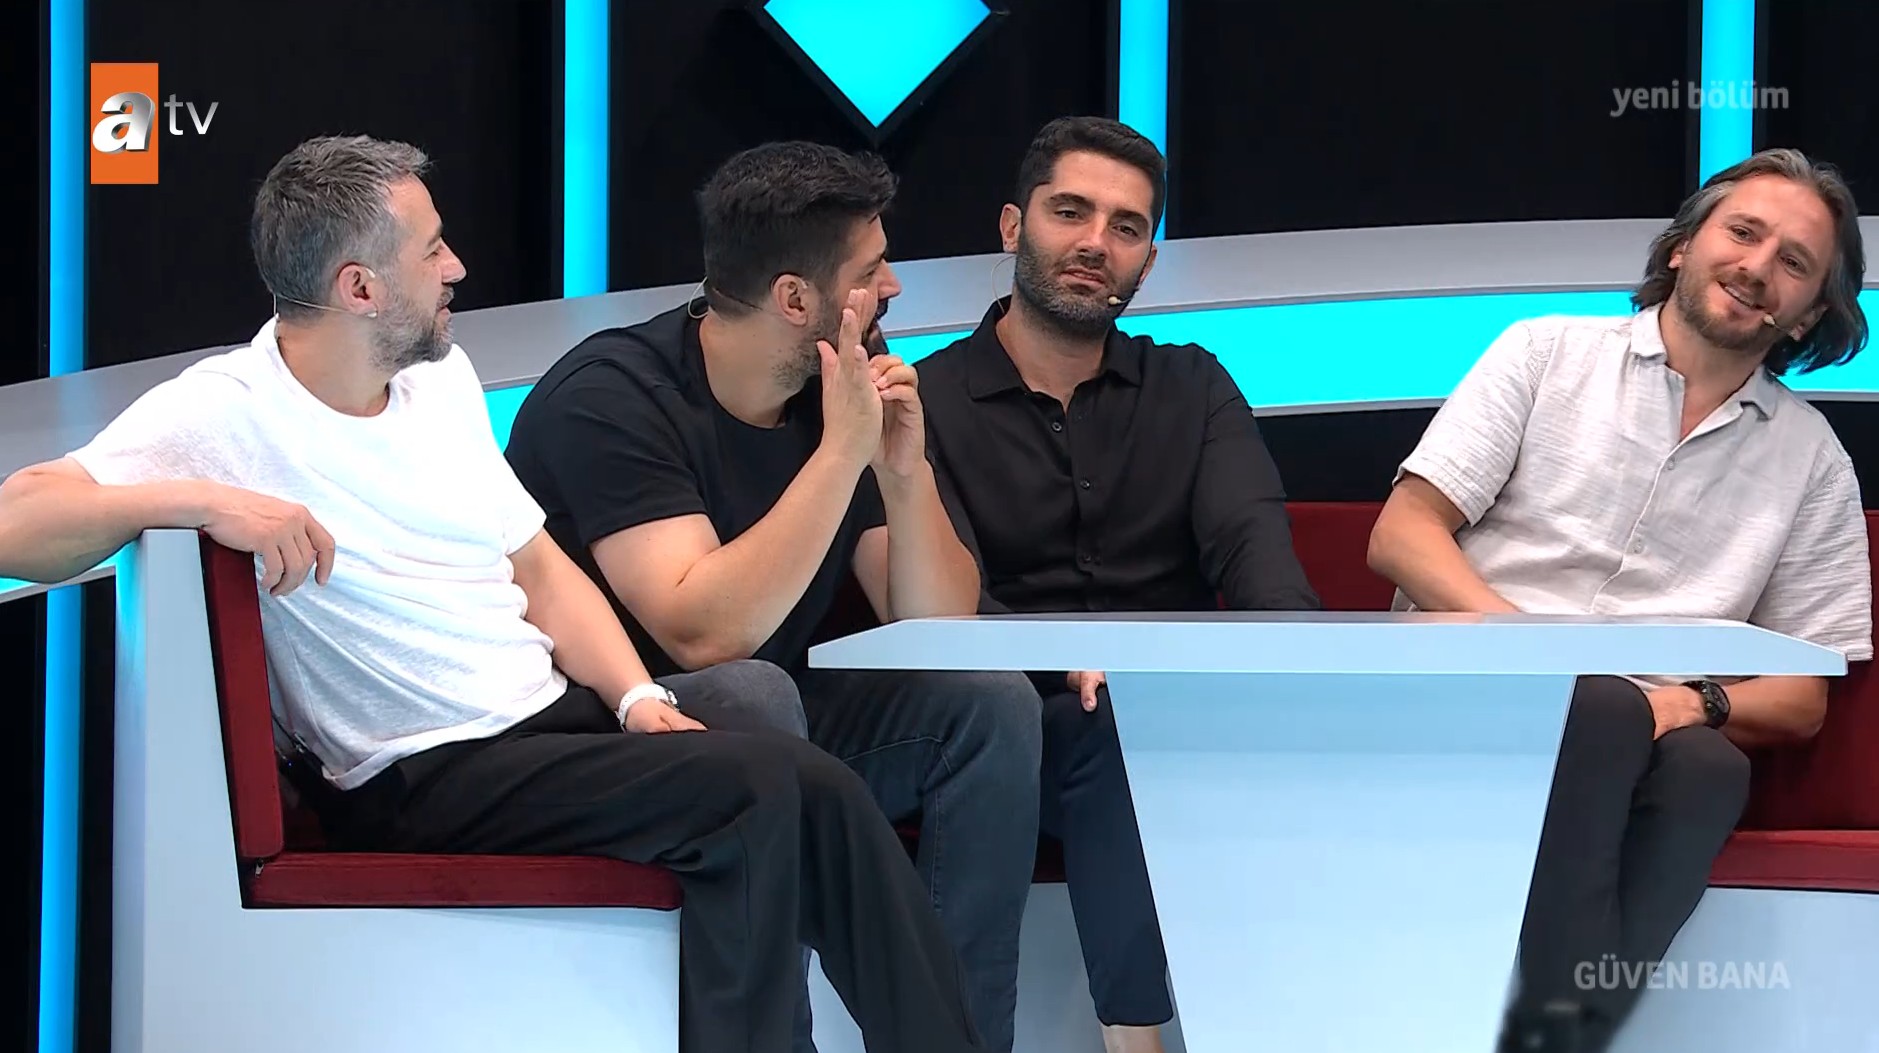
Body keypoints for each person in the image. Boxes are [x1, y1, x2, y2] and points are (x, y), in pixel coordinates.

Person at [0, 135, 987, 1053]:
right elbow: (16, 521)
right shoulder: (226, 411)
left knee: (817, 787)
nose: (457, 267)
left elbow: (540, 569)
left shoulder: (439, 381)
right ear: (358, 287)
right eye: (431, 250)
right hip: (419, 767)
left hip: (543, 727)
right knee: (760, 791)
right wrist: (202, 499)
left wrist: (635, 697)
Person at [502, 142, 1042, 1052]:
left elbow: (936, 629)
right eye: (869, 272)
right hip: (612, 733)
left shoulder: (836, 387)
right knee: (754, 693)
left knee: (988, 706)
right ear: (796, 299)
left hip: (772, 724)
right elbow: (702, 634)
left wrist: (901, 471)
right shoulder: (611, 397)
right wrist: (840, 454)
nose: (894, 288)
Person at [1366, 148, 1872, 1053]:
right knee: (1598, 703)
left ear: (1807, 314)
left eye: (1793, 262)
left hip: (1637, 729)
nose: (1757, 266)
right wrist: (1536, 650)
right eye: (1742, 232)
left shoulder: (1811, 460)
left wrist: (1693, 701)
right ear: (1682, 246)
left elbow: (1802, 696)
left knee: (1710, 766)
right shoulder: (1544, 351)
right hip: (1469, 686)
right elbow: (1402, 534)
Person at [915, 116, 1322, 1053]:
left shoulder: (1192, 386)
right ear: (1013, 226)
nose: (1096, 242)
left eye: (1126, 227)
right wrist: (1065, 657)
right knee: (1103, 732)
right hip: (1008, 723)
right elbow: (945, 598)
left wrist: (1294, 676)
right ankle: (1136, 1041)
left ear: (1148, 259)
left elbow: (1256, 555)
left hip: (1182, 707)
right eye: (1070, 212)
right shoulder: (926, 399)